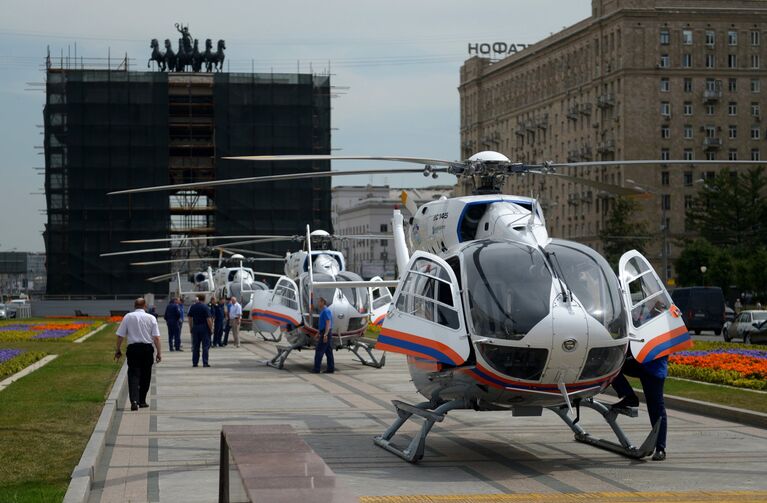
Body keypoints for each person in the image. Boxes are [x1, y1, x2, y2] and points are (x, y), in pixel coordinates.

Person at [611, 355, 668, 461]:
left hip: (655, 370)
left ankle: (660, 448)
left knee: (656, 409)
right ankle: (629, 396)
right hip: (639, 364)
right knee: (611, 364)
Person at [115, 298, 162, 411]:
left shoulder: (128, 317)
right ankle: (142, 400)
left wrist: (118, 349)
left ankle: (134, 401)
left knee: (133, 374)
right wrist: (159, 353)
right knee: (146, 375)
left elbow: (120, 335)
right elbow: (156, 337)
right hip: (147, 349)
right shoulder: (151, 318)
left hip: (133, 349)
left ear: (134, 305)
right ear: (145, 306)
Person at [188, 294, 213, 367]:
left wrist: (191, 327)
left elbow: (189, 317)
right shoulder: (205, 307)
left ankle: (195, 363)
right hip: (204, 328)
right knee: (205, 346)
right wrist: (211, 329)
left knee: (195, 346)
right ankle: (205, 362)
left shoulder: (193, 306)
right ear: (204, 299)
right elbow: (208, 319)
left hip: (195, 327)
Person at [312, 296, 334, 374]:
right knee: (328, 352)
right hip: (324, 331)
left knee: (319, 351)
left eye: (319, 301)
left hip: (326, 332)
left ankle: (316, 369)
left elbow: (328, 323)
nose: (318, 303)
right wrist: (318, 333)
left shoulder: (326, 311)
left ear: (322, 302)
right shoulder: (323, 311)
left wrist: (325, 334)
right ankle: (330, 369)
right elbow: (323, 324)